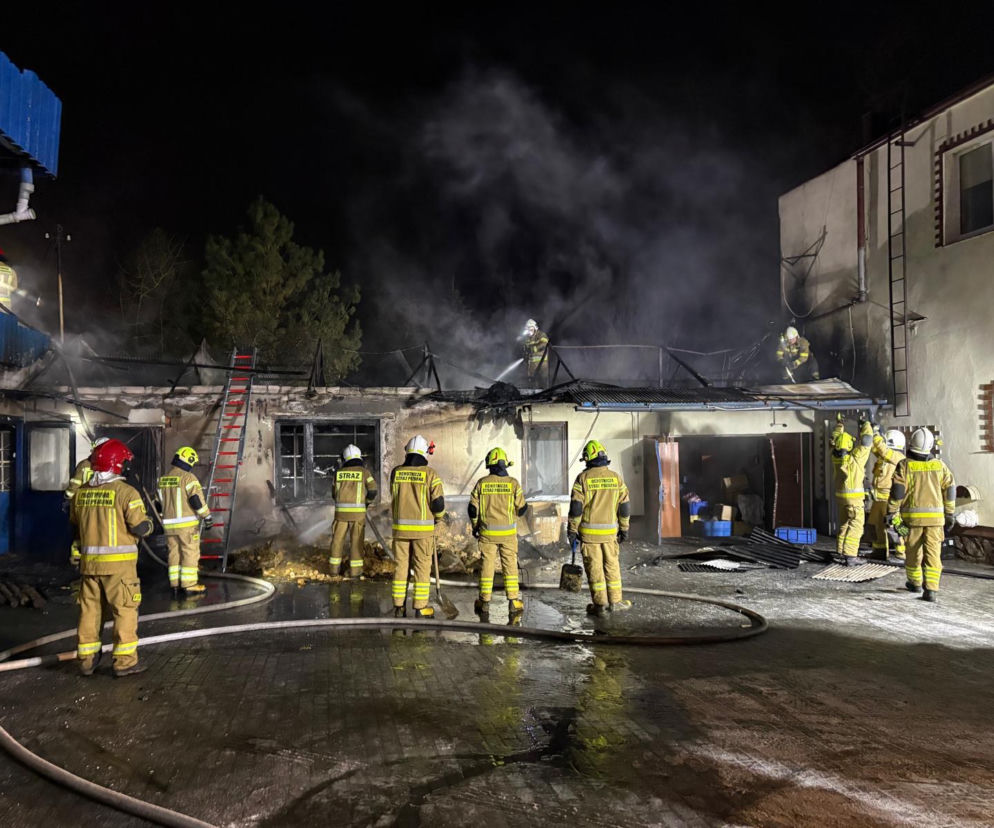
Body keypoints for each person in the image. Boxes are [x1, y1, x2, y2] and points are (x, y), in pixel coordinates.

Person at [71, 438, 153, 678]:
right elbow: (139, 527)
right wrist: (149, 526)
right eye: (125, 462)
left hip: (89, 566)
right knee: (125, 611)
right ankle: (125, 661)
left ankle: (86, 661)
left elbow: (76, 526)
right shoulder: (126, 492)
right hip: (119, 568)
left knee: (89, 612)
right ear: (117, 464)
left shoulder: (81, 494)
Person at [886, 427, 955, 603]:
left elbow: (898, 493)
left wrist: (891, 512)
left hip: (912, 521)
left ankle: (915, 583)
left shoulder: (905, 465)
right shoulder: (940, 466)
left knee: (913, 552)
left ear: (911, 444)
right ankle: (931, 590)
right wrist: (950, 513)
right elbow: (950, 489)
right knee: (933, 553)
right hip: (936, 521)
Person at [567, 440, 631, 616]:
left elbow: (576, 508)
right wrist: (624, 528)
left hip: (589, 536)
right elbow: (624, 506)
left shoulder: (583, 478)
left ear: (588, 459)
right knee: (612, 567)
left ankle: (600, 606)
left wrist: (572, 530)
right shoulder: (616, 478)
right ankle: (616, 602)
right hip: (610, 535)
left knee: (594, 570)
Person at [468, 447, 528, 620]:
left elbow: (472, 508)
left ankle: (484, 602)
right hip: (508, 535)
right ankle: (513, 601)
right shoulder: (513, 483)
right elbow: (522, 509)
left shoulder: (482, 483)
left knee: (487, 566)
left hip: (487, 533)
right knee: (510, 567)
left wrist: (475, 526)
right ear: (504, 464)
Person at [389, 435, 445, 619]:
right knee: (422, 568)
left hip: (400, 531)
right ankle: (421, 607)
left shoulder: (396, 473)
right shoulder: (431, 474)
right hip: (423, 533)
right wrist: (439, 519)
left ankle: (399, 606)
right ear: (424, 452)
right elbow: (438, 504)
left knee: (400, 567)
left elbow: (395, 496)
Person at [157, 446, 212, 596]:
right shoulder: (188, 478)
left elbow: (159, 503)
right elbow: (196, 501)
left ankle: (175, 584)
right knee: (190, 553)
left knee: (173, 553)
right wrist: (206, 516)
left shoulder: (164, 479)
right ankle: (189, 585)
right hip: (186, 526)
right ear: (189, 461)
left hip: (169, 527)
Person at [329, 443, 378, 578]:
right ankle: (355, 572)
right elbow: (373, 490)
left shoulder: (338, 474)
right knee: (356, 543)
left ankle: (333, 570)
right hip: (358, 515)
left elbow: (334, 493)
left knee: (337, 541)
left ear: (345, 459)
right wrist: (366, 503)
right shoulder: (364, 472)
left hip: (340, 515)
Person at [831, 416, 873, 565]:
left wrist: (839, 425)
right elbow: (867, 441)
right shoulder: (855, 459)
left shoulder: (835, 457)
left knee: (843, 524)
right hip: (855, 501)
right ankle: (850, 556)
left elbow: (835, 438)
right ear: (850, 446)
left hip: (841, 500)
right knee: (855, 527)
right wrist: (867, 424)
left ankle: (840, 551)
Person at [65, 436, 111, 566]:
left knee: (80, 533)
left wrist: (68, 499)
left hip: (83, 506)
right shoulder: (107, 466)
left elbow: (73, 487)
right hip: (102, 505)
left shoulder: (83, 465)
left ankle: (78, 561)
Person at [868, 428, 907, 563]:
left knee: (895, 525)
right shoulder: (885, 456)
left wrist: (876, 435)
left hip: (890, 499)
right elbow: (876, 450)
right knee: (876, 525)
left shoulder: (898, 457)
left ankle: (902, 552)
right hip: (878, 499)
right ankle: (879, 551)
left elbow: (882, 449)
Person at [519, 319, 550, 387]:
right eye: (527, 328)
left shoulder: (541, 334)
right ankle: (534, 395)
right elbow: (526, 348)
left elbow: (544, 344)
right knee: (532, 381)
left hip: (542, 363)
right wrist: (525, 354)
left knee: (543, 381)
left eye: (530, 327)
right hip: (532, 364)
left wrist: (534, 349)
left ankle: (545, 394)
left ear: (534, 327)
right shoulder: (528, 338)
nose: (529, 329)